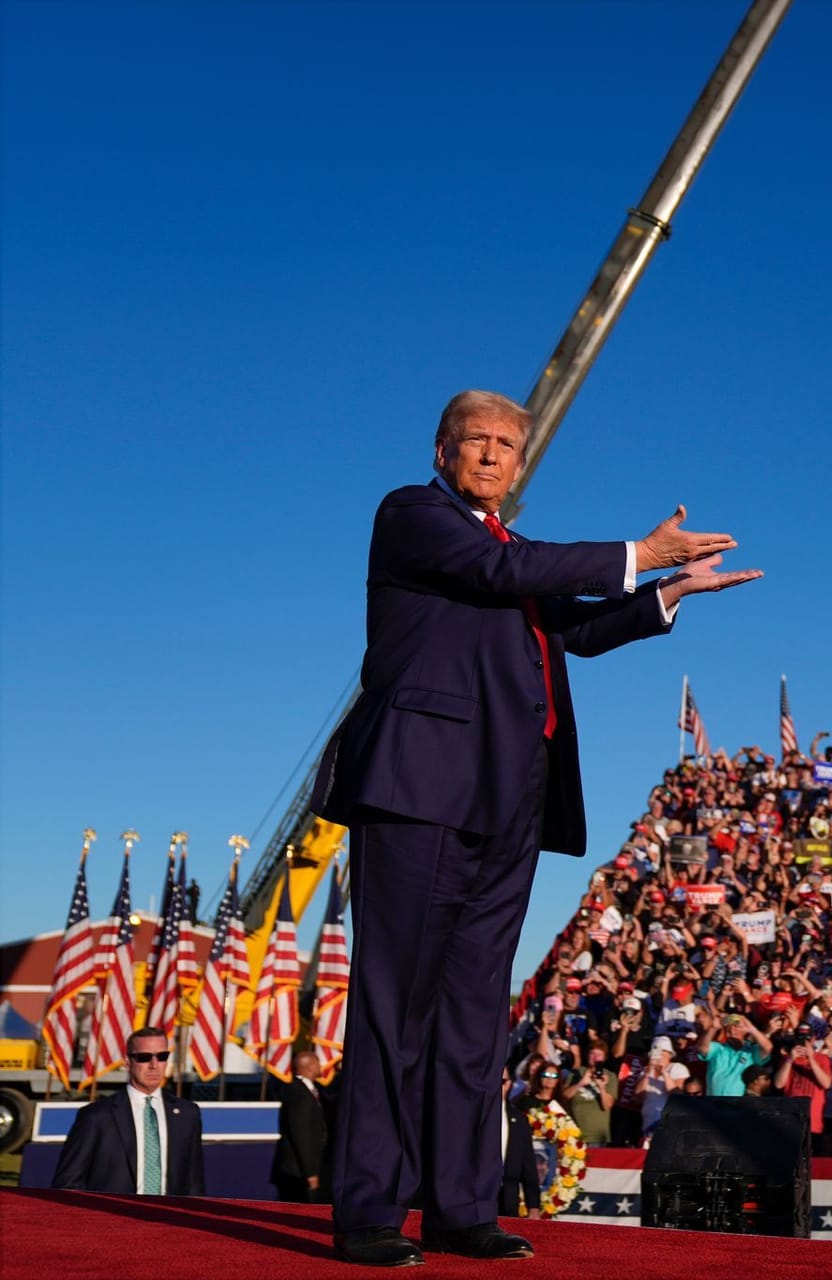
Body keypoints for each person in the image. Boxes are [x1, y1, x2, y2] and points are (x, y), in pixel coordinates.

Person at [314, 389, 759, 1266]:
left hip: (512, 803)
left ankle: (460, 1209)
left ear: (521, 466)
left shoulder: (518, 554)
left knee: (477, 1018)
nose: (489, 454)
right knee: (393, 1010)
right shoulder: (413, 516)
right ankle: (369, 1212)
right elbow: (505, 578)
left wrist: (661, 593)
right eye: (473, 440)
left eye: (506, 446)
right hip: (420, 793)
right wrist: (634, 551)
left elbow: (572, 628)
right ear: (442, 452)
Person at [51, 1026, 204, 1196]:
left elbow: (194, 1182)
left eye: (161, 1056)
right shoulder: (96, 1116)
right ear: (127, 1061)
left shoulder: (188, 1114)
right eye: (144, 1058)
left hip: (167, 1219)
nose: (154, 1065)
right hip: (112, 1219)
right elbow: (68, 1183)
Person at [272, 1049, 330, 1202]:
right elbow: (301, 1135)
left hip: (300, 1171)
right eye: (317, 1062)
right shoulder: (299, 1093)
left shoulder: (305, 1090)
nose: (321, 1066)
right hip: (296, 1172)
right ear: (309, 1066)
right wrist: (310, 1173)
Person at [499, 1069, 541, 1219]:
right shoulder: (471, 1118)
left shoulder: (519, 1120)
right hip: (475, 1197)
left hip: (508, 1197)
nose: (498, 1087)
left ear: (509, 1084)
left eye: (502, 1082)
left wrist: (534, 1206)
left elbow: (528, 1163)